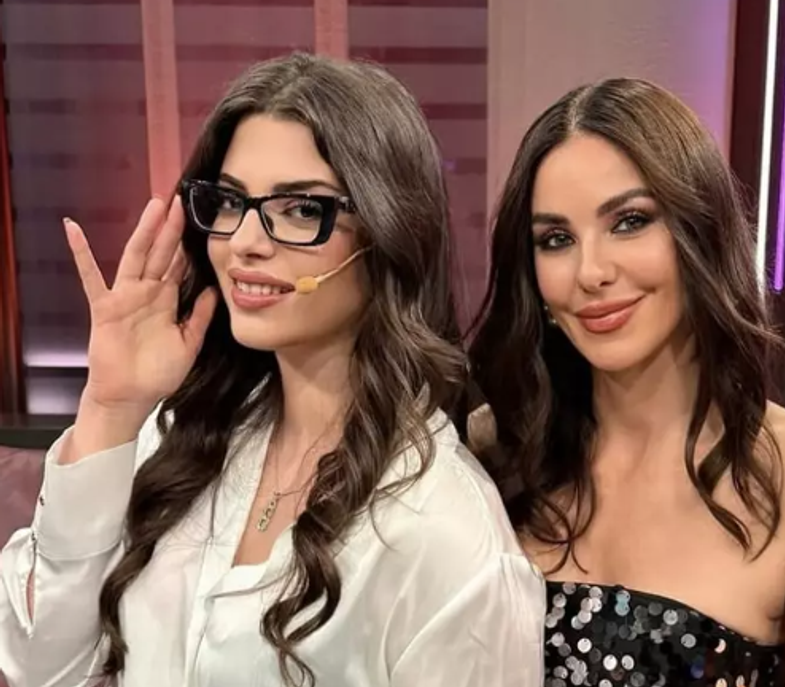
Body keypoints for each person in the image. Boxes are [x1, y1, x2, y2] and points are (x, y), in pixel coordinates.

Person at [0, 53, 543, 687]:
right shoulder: (182, 437)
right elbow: (40, 664)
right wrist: (109, 409)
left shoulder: (446, 533)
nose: (245, 242)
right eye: (231, 201)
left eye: (302, 209)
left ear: (388, 229)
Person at [468, 78, 785, 687]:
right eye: (556, 240)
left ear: (699, 233)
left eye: (629, 222)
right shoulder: (500, 450)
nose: (591, 272)